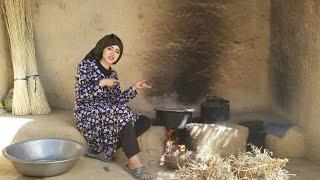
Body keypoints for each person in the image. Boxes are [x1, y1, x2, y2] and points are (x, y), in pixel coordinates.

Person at [73, 34, 152, 180]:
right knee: (124, 114)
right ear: (102, 48)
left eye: (117, 51)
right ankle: (134, 164)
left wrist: (134, 88)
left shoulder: (114, 74)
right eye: (110, 48)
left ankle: (101, 149)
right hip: (87, 111)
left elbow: (117, 101)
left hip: (109, 112)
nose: (113, 53)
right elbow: (81, 96)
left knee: (145, 121)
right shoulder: (86, 65)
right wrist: (101, 83)